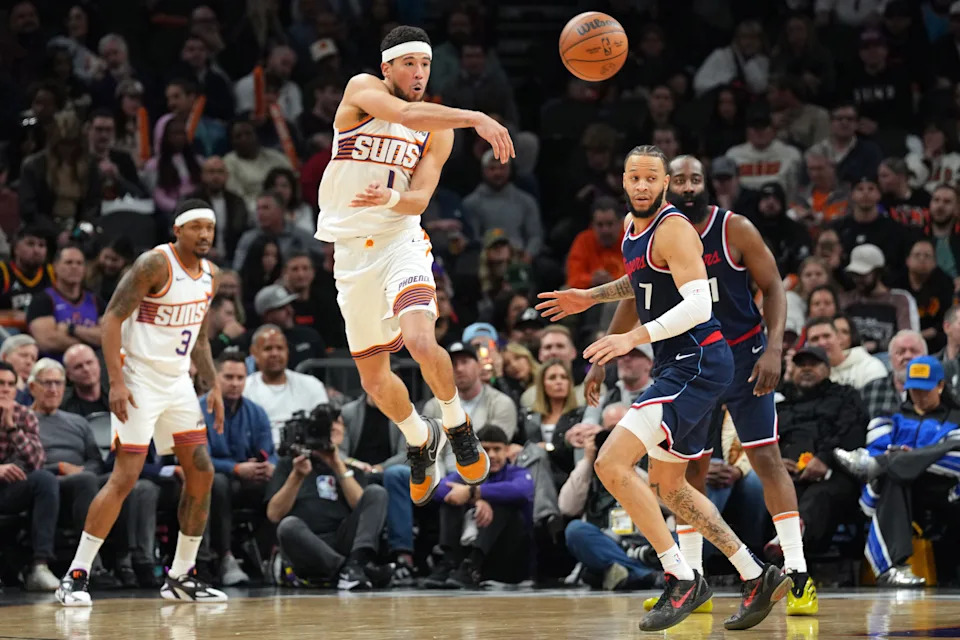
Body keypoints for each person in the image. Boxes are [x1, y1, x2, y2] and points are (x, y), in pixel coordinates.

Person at [540, 154, 815, 616]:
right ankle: (754, 574)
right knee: (672, 485)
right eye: (635, 177)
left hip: (700, 362)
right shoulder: (632, 226)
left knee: (612, 462)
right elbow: (641, 281)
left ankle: (682, 578)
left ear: (665, 184)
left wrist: (632, 338)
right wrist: (591, 297)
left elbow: (697, 307)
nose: (643, 185)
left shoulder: (675, 228)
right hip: (681, 363)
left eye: (652, 178)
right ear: (623, 180)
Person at [314, 25, 515, 506]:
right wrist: (478, 118)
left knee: (423, 341)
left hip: (399, 241)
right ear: (387, 68)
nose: (419, 73)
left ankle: (455, 422)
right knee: (374, 381)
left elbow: (421, 197)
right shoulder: (362, 90)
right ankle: (419, 437)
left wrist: (394, 197)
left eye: (425, 64)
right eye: (409, 64)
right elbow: (403, 112)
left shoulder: (437, 128)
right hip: (351, 255)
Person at [56, 199, 227, 606]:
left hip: (177, 382)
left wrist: (214, 383)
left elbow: (199, 336)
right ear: (177, 230)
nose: (205, 235)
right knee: (125, 476)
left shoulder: (211, 276)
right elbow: (111, 318)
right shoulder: (155, 264)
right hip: (138, 379)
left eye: (210, 228)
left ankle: (182, 576)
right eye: (196, 227)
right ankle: (76, 575)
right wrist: (115, 380)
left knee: (202, 473)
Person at [835, 356, 960, 587]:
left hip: (945, 491)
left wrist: (895, 457)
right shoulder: (889, 418)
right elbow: (877, 445)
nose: (919, 396)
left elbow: (955, 458)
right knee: (896, 476)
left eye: (926, 389)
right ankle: (892, 568)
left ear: (941, 386)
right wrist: (920, 456)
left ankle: (882, 463)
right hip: (900, 491)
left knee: (949, 449)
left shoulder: (956, 418)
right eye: (914, 390)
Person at [265, 404, 391, 591]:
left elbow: (362, 507)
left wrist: (338, 465)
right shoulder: (289, 464)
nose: (332, 429)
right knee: (288, 525)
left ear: (343, 431)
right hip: (306, 544)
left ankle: (355, 564)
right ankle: (347, 571)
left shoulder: (350, 467)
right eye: (325, 427)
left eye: (337, 423)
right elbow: (274, 514)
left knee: (376, 493)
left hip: (342, 539)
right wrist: (297, 476)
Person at [561, 404, 662, 591]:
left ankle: (627, 572)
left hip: (646, 543)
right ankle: (643, 575)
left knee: (689, 536)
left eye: (621, 431)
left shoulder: (650, 454)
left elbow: (669, 503)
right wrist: (589, 459)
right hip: (605, 542)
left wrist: (628, 464)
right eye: (610, 432)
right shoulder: (591, 466)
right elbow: (567, 507)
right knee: (575, 530)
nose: (615, 438)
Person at [425, 425, 535, 589]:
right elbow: (437, 489)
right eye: (486, 449)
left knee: (500, 502)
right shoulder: (468, 474)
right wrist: (474, 499)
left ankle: (472, 565)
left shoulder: (518, 473)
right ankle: (450, 563)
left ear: (507, 450)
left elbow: (521, 491)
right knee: (453, 499)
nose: (492, 455)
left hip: (511, 556)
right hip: (473, 550)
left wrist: (474, 492)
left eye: (497, 449)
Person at [201, 352, 275, 587]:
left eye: (240, 378)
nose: (235, 383)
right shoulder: (198, 410)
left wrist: (269, 465)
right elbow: (201, 459)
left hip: (251, 477)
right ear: (215, 377)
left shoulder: (257, 412)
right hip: (216, 479)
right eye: (229, 377)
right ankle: (224, 557)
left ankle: (266, 551)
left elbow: (268, 450)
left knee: (286, 478)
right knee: (219, 483)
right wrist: (235, 468)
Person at [0, 361, 60, 591]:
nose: (5, 389)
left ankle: (39, 567)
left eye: (10, 384)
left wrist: (11, 427)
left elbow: (36, 462)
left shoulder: (24, 415)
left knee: (44, 479)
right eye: (0, 384)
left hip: (10, 490)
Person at [243, 324, 329, 443]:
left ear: (287, 351)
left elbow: (323, 429)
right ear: (254, 353)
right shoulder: (244, 389)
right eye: (268, 348)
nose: (275, 354)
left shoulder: (311, 385)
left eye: (280, 348)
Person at [26, 243, 103, 360]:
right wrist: (92, 340)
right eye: (69, 262)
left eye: (79, 263)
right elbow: (47, 341)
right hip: (55, 369)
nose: (74, 267)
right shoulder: (42, 300)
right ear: (55, 267)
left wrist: (72, 329)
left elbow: (109, 337)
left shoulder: (96, 300)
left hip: (91, 368)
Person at [0, 334, 38, 405]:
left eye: (33, 359)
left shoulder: (35, 391)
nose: (29, 362)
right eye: (23, 355)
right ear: (4, 357)